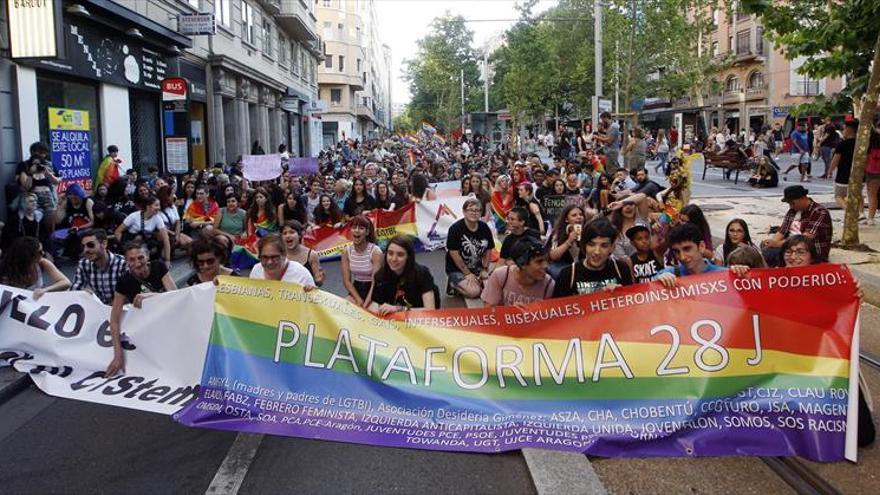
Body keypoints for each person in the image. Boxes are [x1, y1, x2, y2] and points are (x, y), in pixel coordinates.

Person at [105, 240, 177, 377]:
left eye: (140, 258)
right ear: (126, 261)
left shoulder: (158, 267)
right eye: (131, 260)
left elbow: (175, 296)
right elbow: (114, 318)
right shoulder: (124, 281)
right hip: (147, 329)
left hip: (168, 322)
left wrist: (152, 297)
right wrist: (118, 355)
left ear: (147, 256)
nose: (137, 263)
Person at [552, 218, 633, 297]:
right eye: (591, 245)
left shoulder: (621, 269)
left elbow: (632, 304)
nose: (597, 252)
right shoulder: (568, 275)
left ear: (612, 247)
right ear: (584, 245)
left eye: (604, 246)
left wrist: (622, 294)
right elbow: (557, 308)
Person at [761, 185, 832, 266]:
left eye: (792, 203)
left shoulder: (819, 212)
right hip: (789, 245)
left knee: (771, 254)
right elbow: (782, 231)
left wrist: (778, 244)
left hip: (808, 249)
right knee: (766, 248)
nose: (791, 206)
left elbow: (805, 238)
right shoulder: (792, 211)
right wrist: (771, 242)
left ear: (802, 198)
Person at [368, 235, 438, 314]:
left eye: (400, 255)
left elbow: (430, 310)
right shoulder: (380, 275)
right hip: (393, 319)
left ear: (408, 257)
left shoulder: (422, 273)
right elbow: (376, 304)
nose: (394, 259)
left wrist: (399, 309)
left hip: (419, 319)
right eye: (390, 253)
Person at [654, 223, 735, 288]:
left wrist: (741, 273)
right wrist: (660, 280)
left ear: (701, 247)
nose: (682, 257)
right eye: (677, 251)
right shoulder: (670, 273)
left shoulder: (723, 275)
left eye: (687, 249)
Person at [482, 236, 554, 306]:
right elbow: (488, 310)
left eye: (547, 260)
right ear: (522, 264)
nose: (545, 265)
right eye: (539, 261)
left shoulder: (549, 284)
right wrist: (511, 312)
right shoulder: (501, 276)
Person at [445, 197, 494, 299]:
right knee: (474, 292)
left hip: (477, 267)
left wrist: (485, 269)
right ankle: (453, 284)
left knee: (492, 288)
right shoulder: (455, 229)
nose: (474, 213)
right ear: (464, 212)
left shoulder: (484, 228)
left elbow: (489, 249)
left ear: (481, 213)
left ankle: (474, 282)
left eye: (477, 210)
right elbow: (453, 253)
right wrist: (467, 273)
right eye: (470, 210)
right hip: (457, 269)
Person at [71, 228, 128, 304]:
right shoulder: (84, 264)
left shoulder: (123, 263)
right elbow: (74, 291)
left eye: (90, 245)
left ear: (104, 244)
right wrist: (83, 294)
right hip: (99, 310)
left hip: (123, 310)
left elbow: (131, 295)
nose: (85, 250)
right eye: (83, 246)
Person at [0, 236, 70, 297]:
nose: (43, 253)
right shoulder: (6, 269)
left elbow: (66, 282)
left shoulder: (42, 263)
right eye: (39, 252)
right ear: (28, 256)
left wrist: (45, 290)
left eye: (43, 250)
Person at [115, 195, 172, 265]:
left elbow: (166, 239)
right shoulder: (134, 216)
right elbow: (118, 231)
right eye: (156, 205)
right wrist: (125, 246)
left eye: (159, 205)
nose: (159, 208)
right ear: (148, 207)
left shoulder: (157, 218)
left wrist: (167, 260)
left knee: (154, 245)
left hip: (144, 244)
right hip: (131, 242)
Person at [341, 215, 383, 306]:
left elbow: (375, 283)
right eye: (354, 227)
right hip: (356, 289)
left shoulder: (376, 252)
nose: (356, 230)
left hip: (374, 290)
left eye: (361, 228)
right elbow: (346, 281)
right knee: (343, 308)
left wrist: (365, 305)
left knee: (371, 312)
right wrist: (358, 299)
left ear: (367, 232)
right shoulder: (346, 251)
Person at [249, 234, 316, 286]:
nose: (269, 262)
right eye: (265, 257)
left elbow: (314, 302)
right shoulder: (256, 271)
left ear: (284, 255)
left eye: (274, 257)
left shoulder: (301, 274)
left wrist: (311, 293)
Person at [827, 120, 860, 214]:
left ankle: (850, 213)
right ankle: (858, 213)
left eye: (844, 128)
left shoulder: (843, 144)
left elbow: (835, 160)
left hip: (844, 175)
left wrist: (830, 171)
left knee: (839, 196)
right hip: (859, 175)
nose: (843, 131)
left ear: (849, 129)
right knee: (856, 196)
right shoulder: (861, 143)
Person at [547, 204, 587, 278]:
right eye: (574, 215)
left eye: (581, 215)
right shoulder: (558, 233)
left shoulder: (588, 231)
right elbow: (553, 256)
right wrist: (569, 241)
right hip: (561, 264)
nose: (579, 217)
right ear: (566, 219)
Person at [281, 220, 324, 286]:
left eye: (292, 232)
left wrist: (320, 279)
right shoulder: (279, 256)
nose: (288, 236)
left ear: (299, 235)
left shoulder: (311, 255)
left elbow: (318, 282)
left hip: (306, 293)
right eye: (284, 233)